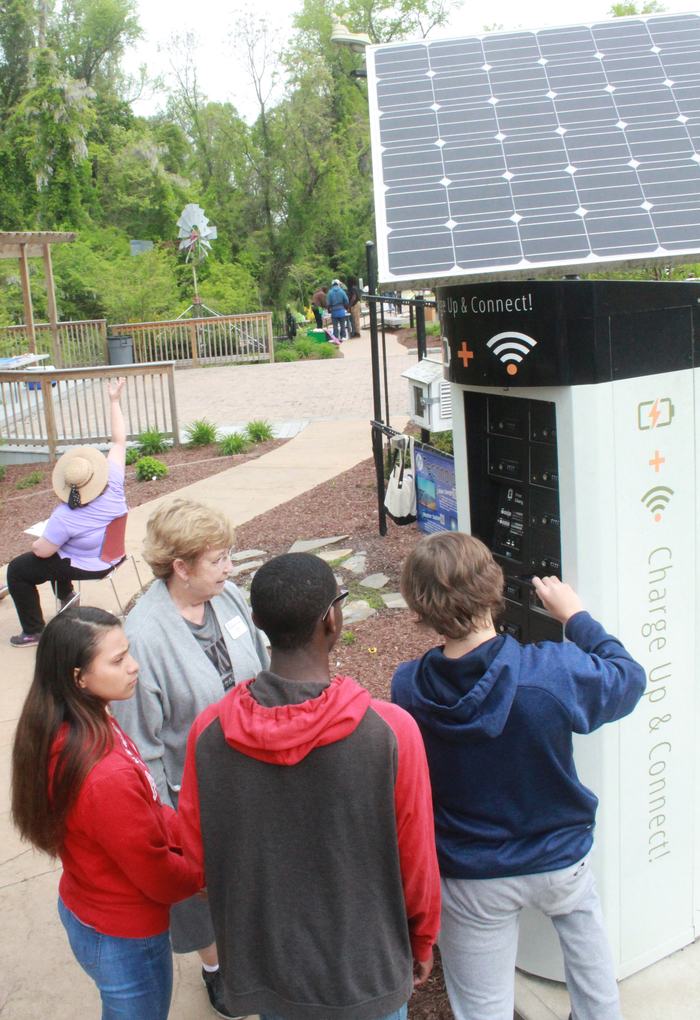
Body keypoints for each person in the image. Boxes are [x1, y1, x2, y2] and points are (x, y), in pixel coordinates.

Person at [391, 532, 646, 1020]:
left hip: (471, 872)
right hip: (559, 859)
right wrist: (576, 617)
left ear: (418, 612)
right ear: (495, 589)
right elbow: (628, 679)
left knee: (482, 1006)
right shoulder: (551, 672)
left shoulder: (408, 687)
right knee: (594, 977)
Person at [177, 552, 441, 1020]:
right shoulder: (390, 732)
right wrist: (422, 938)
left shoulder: (210, 732)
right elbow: (416, 859)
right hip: (368, 972)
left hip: (271, 972)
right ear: (332, 620)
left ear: (257, 622)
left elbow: (197, 860)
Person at [112, 498, 269, 1019]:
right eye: (218, 558)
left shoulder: (230, 599)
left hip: (254, 773)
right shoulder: (144, 636)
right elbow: (144, 745)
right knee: (199, 891)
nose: (231, 567)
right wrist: (169, 822)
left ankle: (253, 947)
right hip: (190, 793)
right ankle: (215, 967)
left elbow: (263, 670)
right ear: (180, 567)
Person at [10, 607, 201, 1020]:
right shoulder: (104, 775)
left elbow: (148, 807)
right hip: (124, 935)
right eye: (117, 661)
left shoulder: (78, 720)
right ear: (79, 677)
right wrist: (206, 873)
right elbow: (157, 876)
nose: (134, 667)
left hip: (90, 903)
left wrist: (187, 832)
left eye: (128, 652)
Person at [7, 378, 128, 646]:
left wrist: (37, 542)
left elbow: (42, 552)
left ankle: (33, 630)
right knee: (63, 552)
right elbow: (119, 441)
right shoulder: (115, 483)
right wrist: (114, 401)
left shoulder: (66, 515)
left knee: (18, 569)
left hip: (91, 565)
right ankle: (67, 597)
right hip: (114, 555)